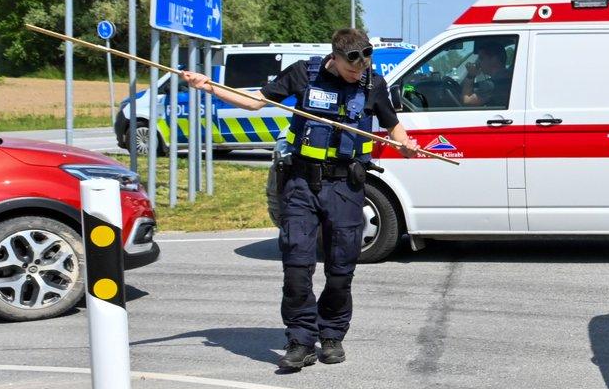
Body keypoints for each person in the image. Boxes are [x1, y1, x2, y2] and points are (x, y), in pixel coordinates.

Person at [182, 27, 421, 371]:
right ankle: (300, 339)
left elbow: (393, 125)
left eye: (363, 66)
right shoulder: (303, 75)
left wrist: (405, 144)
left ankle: (332, 334)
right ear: (335, 58)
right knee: (296, 265)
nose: (359, 73)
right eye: (352, 68)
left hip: (345, 187)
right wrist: (208, 85)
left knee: (341, 268)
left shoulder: (373, 83)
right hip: (300, 183)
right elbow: (254, 102)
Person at [459, 39, 510, 108]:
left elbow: (466, 101)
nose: (478, 63)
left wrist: (471, 75)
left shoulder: (490, 85)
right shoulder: (509, 78)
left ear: (494, 59)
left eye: (481, 58)